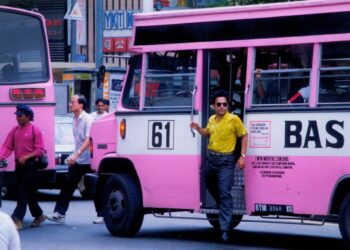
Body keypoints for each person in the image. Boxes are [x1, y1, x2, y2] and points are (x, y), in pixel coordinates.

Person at [190, 89, 248, 243]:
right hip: (211, 159)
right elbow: (208, 134)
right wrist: (197, 128)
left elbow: (244, 135)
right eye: (219, 104)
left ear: (228, 106)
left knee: (225, 193)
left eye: (225, 104)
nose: (222, 107)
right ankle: (222, 204)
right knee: (207, 181)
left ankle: (224, 230)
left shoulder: (234, 119)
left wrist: (242, 157)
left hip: (226, 162)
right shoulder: (211, 119)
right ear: (214, 106)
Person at [46, 94, 93, 224]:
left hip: (90, 159)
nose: (70, 104)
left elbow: (89, 139)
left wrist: (77, 154)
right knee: (68, 185)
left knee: (97, 186)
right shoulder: (74, 119)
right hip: (77, 159)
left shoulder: (88, 119)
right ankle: (59, 213)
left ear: (81, 104)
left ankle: (101, 215)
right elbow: (77, 141)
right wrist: (74, 156)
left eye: (73, 102)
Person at [0, 105, 46, 230]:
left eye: (20, 116)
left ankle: (17, 219)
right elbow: (7, 146)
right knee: (28, 193)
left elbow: (40, 150)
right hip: (19, 166)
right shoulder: (14, 130)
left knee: (22, 192)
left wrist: (27, 157)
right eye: (17, 116)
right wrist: (1, 156)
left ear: (28, 117)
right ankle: (39, 215)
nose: (18, 118)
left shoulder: (34, 130)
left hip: (31, 166)